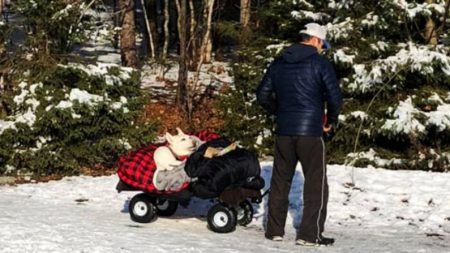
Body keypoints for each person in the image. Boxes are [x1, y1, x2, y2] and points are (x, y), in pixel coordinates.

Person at [256, 23, 342, 246]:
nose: (322, 48)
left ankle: (274, 231)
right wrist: (330, 121)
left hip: (284, 131)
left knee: (280, 180)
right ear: (315, 40)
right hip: (311, 133)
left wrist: (280, 112)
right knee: (316, 183)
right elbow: (334, 98)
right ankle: (309, 235)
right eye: (322, 44)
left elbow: (262, 94)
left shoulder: (279, 62)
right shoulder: (321, 63)